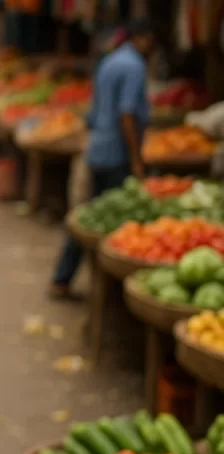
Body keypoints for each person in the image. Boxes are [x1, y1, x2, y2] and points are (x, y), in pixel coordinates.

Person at [50, 21, 155, 299]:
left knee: (91, 217)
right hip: (116, 154)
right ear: (143, 39)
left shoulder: (109, 61)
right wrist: (136, 158)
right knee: (112, 222)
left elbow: (95, 110)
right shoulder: (134, 67)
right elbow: (127, 113)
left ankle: (63, 278)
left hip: (98, 148)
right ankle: (105, 291)